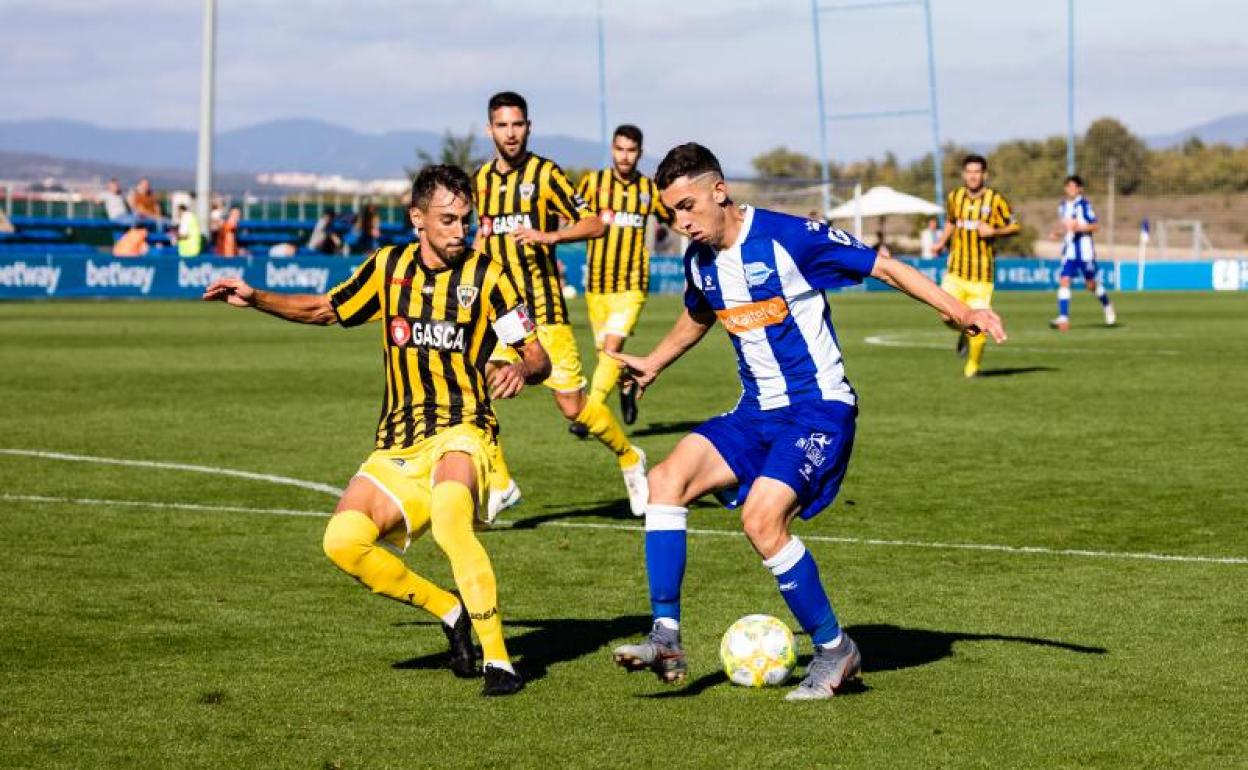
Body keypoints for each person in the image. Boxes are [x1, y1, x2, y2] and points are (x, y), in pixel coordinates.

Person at [608, 144, 1005, 700]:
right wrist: (653, 361)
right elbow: (699, 314)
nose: (682, 222)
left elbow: (884, 267)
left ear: (719, 190)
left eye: (689, 206)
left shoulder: (790, 238)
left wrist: (959, 310)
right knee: (665, 481)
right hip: (755, 412)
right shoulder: (698, 260)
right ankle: (667, 635)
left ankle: (835, 649)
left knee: (761, 519)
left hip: (819, 409)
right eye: (673, 212)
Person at [201, 165, 550, 696]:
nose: (460, 231)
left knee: (452, 519)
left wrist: (520, 370)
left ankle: (501, 663)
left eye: (465, 220)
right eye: (448, 220)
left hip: (464, 430)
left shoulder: (489, 279)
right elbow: (324, 309)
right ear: (417, 219)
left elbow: (537, 355)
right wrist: (256, 298)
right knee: (342, 542)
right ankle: (450, 611)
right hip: (398, 442)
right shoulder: (388, 269)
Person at [472, 91, 648, 519]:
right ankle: (500, 482)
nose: (510, 134)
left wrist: (549, 236)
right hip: (499, 313)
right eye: (502, 125)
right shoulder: (480, 181)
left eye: (518, 125)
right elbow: (482, 236)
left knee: (572, 405)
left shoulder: (546, 174)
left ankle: (629, 457)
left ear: (528, 127)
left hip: (543, 310)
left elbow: (595, 224)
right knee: (474, 388)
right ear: (489, 129)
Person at [575, 124, 673, 427]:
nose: (625, 156)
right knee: (607, 355)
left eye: (631, 150)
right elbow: (571, 214)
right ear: (612, 149)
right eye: (620, 149)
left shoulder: (648, 190)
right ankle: (626, 384)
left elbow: (674, 218)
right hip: (596, 285)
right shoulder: (593, 183)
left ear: (640, 153)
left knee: (611, 348)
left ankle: (589, 413)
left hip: (632, 283)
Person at [931, 155, 1019, 377]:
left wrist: (994, 231)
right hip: (957, 270)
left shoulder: (996, 200)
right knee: (944, 313)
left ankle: (972, 369)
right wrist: (941, 241)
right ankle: (963, 330)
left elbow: (1014, 226)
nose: (973, 176)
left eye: (977, 172)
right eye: (969, 171)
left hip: (982, 276)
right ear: (963, 174)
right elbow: (951, 221)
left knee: (979, 327)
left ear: (984, 175)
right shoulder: (955, 197)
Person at [1050, 175, 1115, 330]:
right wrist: (1057, 233)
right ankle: (1063, 317)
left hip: (1085, 253)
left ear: (1080, 189)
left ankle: (1107, 304)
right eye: (1068, 186)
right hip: (1069, 252)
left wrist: (1079, 228)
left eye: (1074, 187)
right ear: (1065, 189)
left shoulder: (1084, 205)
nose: (1071, 189)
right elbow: (1065, 227)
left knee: (1091, 284)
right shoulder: (1063, 206)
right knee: (1064, 280)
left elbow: (1095, 226)